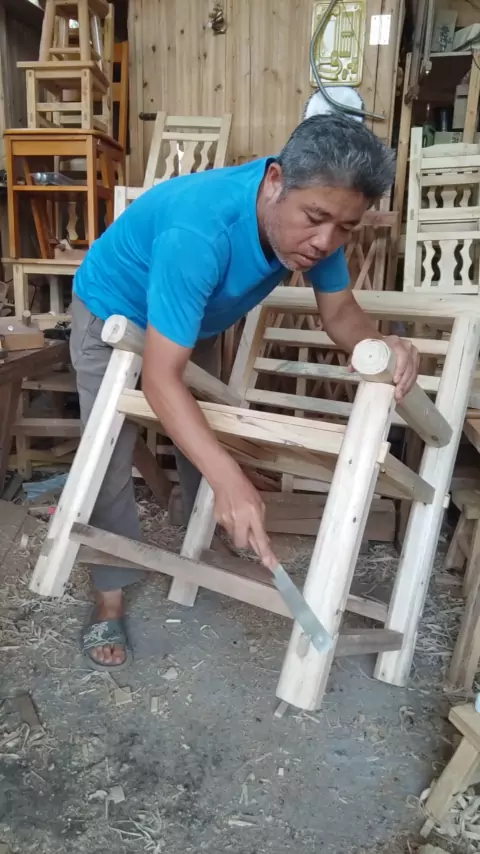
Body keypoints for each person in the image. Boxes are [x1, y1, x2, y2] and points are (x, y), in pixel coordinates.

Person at [71, 114, 419, 670]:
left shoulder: (322, 217)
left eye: (345, 228)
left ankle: (204, 537)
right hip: (112, 313)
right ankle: (110, 592)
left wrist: (382, 345)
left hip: (193, 321)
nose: (326, 241)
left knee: (202, 434)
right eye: (316, 219)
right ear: (275, 181)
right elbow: (160, 380)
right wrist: (233, 480)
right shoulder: (200, 229)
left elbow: (339, 313)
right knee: (109, 453)